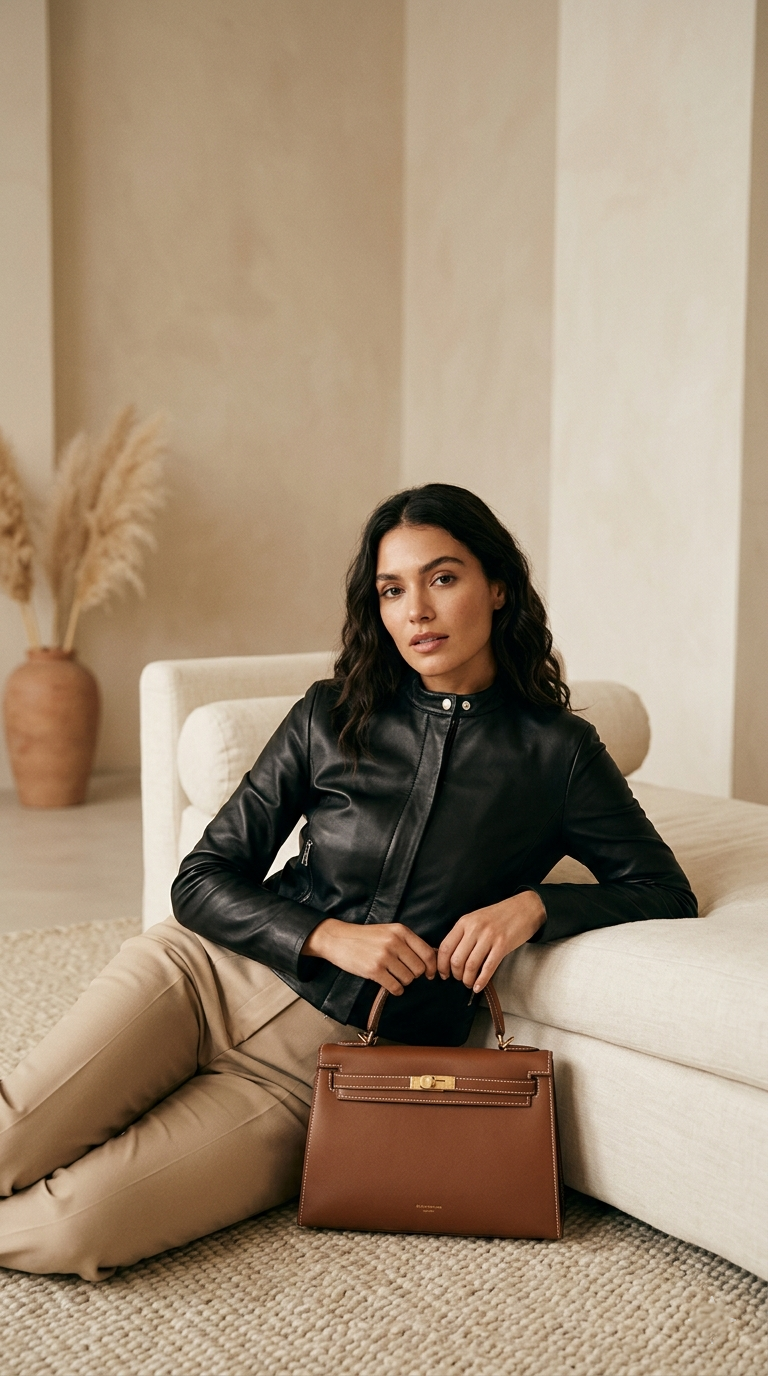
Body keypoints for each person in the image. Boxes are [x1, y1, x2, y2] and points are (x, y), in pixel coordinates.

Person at [0, 484, 696, 1281]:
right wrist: (329, 936)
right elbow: (201, 877)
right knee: (11, 1139)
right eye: (392, 590)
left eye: (442, 578)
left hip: (323, 1073)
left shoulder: (558, 754)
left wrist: (535, 906)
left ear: (498, 586)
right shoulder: (330, 714)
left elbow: (662, 887)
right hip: (204, 976)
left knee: (74, 1229)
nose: (416, 611)